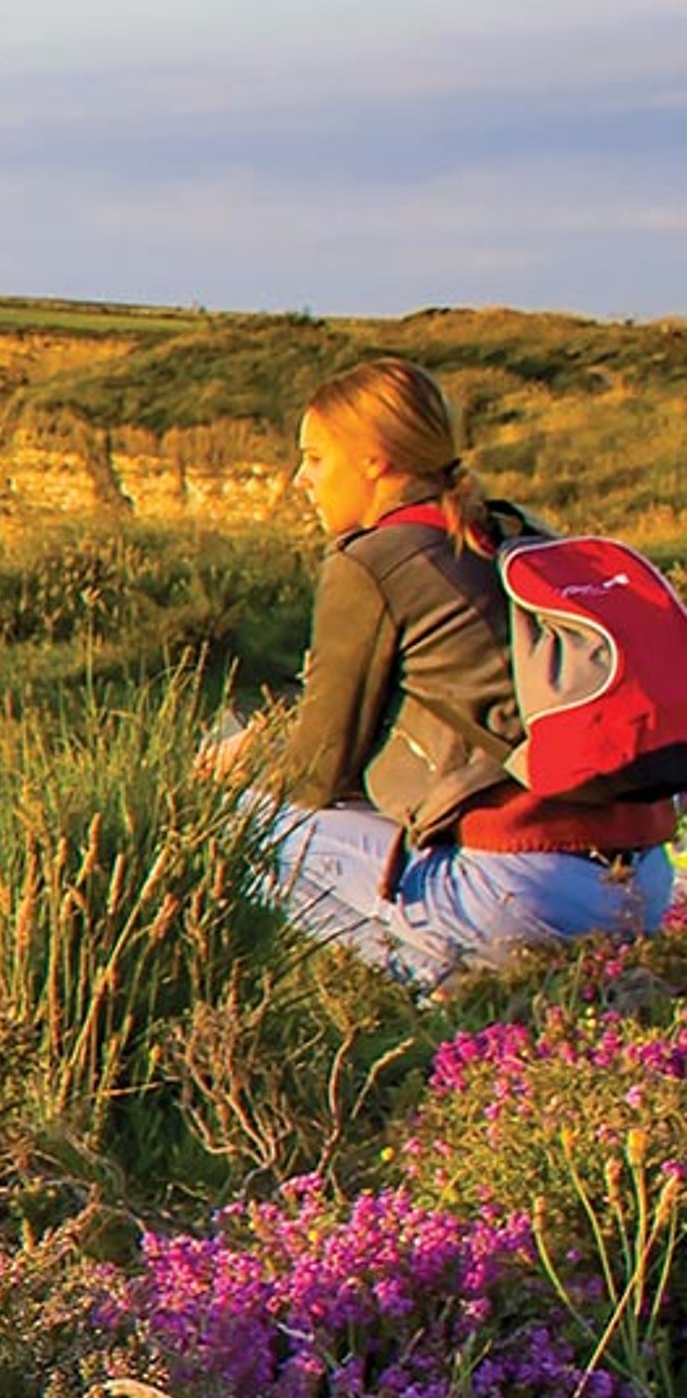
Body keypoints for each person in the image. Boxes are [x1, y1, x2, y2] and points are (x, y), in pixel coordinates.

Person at [235, 357, 676, 985]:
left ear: (374, 460)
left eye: (315, 457)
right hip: (647, 886)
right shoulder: (509, 532)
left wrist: (242, 762)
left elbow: (314, 776)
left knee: (234, 822)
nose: (301, 478)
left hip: (521, 891)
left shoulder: (374, 560)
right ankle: (474, 982)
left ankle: (422, 985)